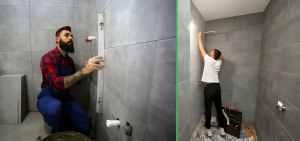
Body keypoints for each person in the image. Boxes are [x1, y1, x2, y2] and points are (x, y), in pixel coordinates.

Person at [36, 26, 105, 136]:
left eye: (71, 36)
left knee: (86, 127)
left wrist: (87, 71)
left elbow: (76, 81)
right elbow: (57, 84)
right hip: (48, 97)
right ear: (57, 39)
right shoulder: (48, 57)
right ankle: (56, 130)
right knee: (54, 108)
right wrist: (83, 71)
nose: (70, 38)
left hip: (65, 100)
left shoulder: (69, 60)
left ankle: (64, 120)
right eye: (66, 35)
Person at [198, 31, 225, 137]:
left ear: (213, 54)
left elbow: (201, 48)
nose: (210, 51)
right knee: (219, 107)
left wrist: (199, 36)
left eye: (212, 51)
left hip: (209, 88)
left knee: (208, 108)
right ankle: (222, 129)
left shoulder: (208, 60)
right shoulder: (218, 63)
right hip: (217, 87)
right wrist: (218, 54)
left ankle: (208, 129)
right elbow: (221, 57)